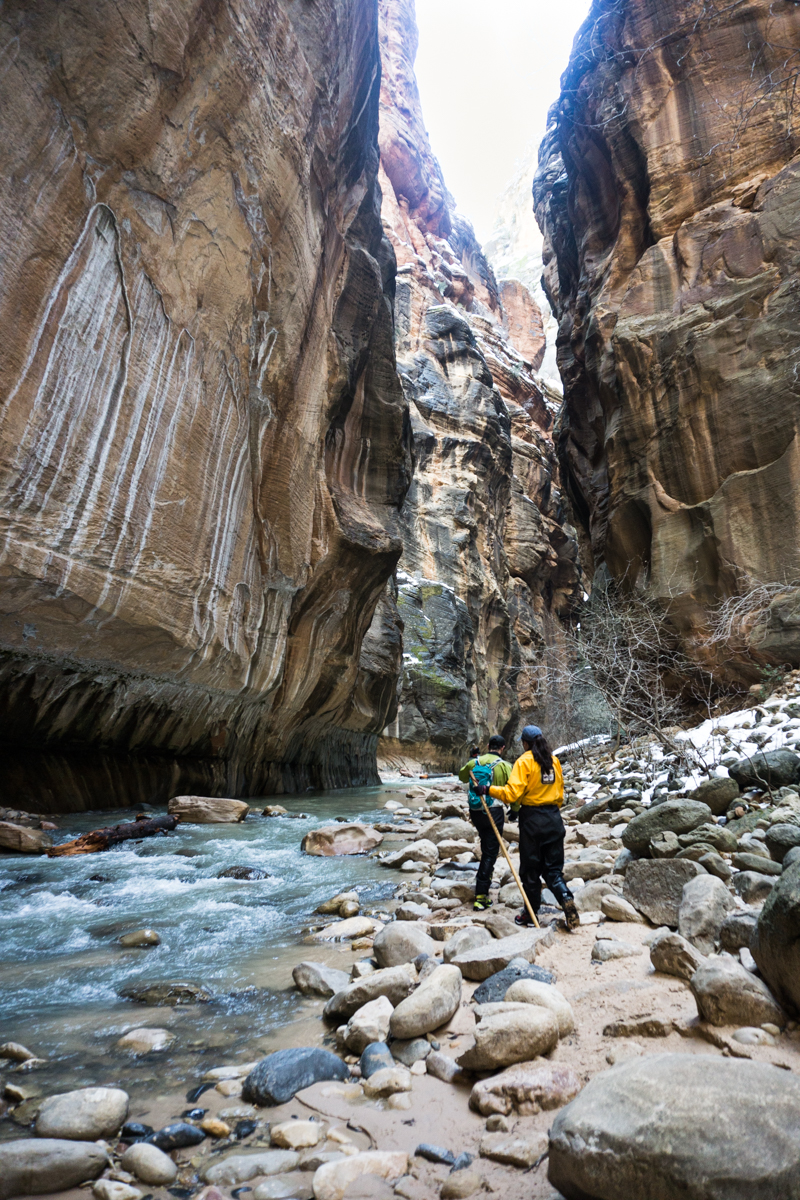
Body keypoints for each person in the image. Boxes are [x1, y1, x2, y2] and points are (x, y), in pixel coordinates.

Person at [473, 724, 579, 930]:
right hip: (554, 819)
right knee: (553, 870)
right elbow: (560, 794)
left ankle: (530, 915)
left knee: (530, 871)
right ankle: (565, 896)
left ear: (525, 743)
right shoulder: (554, 761)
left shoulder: (524, 762)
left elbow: (512, 794)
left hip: (533, 821)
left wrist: (486, 789)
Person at [458, 734, 512, 910]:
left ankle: (483, 886)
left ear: (488, 745)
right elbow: (513, 790)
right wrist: (516, 811)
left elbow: (462, 777)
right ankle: (481, 895)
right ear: (502, 748)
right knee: (490, 852)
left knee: (486, 846)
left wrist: (473, 762)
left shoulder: (474, 763)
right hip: (494, 812)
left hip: (476, 812)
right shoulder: (504, 766)